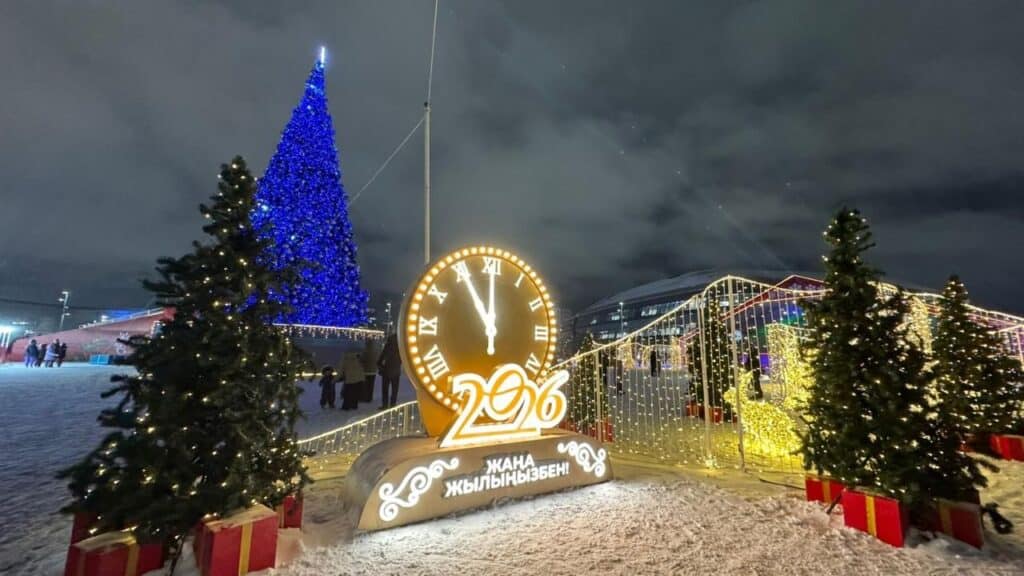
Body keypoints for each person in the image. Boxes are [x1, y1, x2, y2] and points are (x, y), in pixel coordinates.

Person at [377, 334, 402, 409]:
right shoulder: (400, 347)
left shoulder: (388, 346)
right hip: (396, 370)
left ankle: (385, 405)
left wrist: (379, 364)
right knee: (395, 389)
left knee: (385, 389)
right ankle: (393, 404)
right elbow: (402, 359)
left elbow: (382, 356)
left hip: (387, 370)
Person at [361, 338, 380, 404]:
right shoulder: (376, 351)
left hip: (366, 371)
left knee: (366, 386)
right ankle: (370, 397)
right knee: (371, 385)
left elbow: (362, 359)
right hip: (373, 371)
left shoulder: (366, 351)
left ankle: (365, 397)